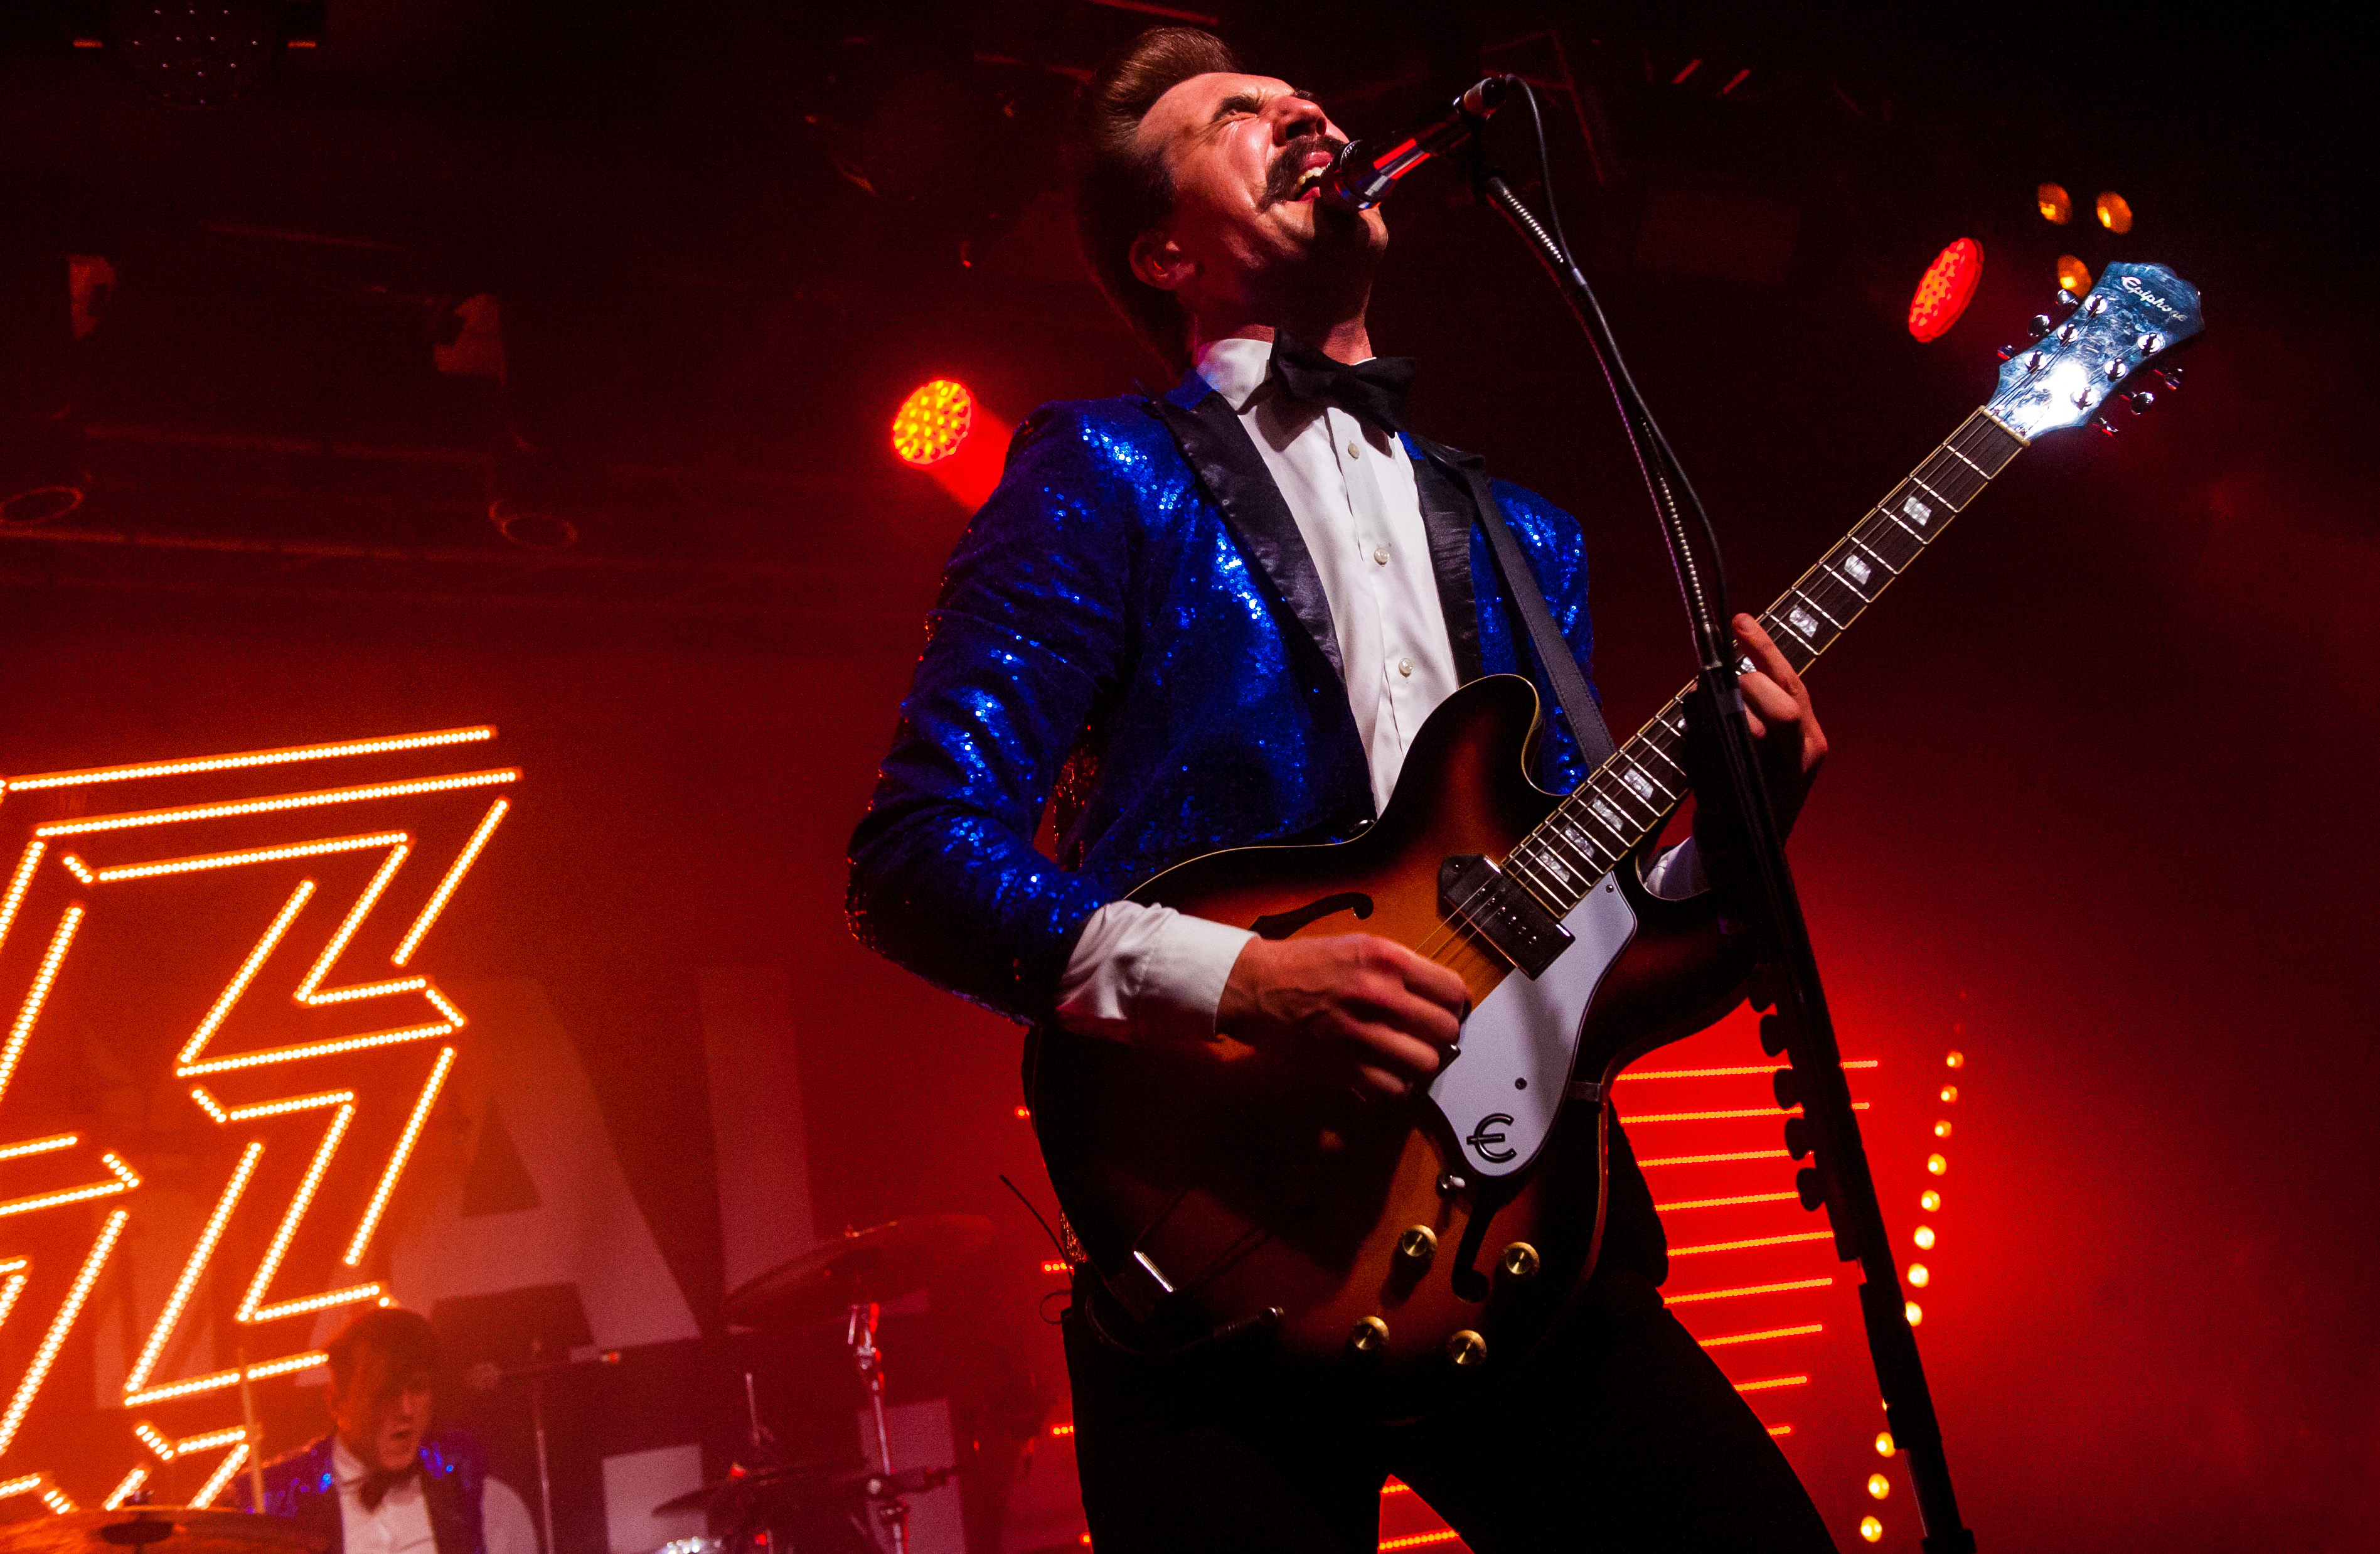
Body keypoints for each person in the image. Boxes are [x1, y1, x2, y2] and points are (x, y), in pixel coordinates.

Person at [846, 26, 1836, 1551]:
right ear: (1166, 254)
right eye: (1234, 115)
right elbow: (917, 854)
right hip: (1219, 1258)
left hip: (1525, 1251)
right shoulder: (1103, 470)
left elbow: (1583, 962)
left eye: (1294, 94)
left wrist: (1736, 841)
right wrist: (1245, 981)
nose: (1299, 109)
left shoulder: (1528, 535)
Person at [242, 1307, 540, 1554]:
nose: (406, 1410)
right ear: (337, 1402)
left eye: (418, 1388)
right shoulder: (279, 1495)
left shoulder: (460, 1473)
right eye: (386, 1392)